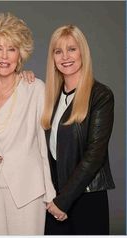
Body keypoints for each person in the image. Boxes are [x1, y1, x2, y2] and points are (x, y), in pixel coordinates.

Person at [0, 12, 56, 235]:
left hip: (27, 189)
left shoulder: (35, 88)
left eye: (12, 48)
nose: (4, 56)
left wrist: (50, 191)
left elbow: (42, 144)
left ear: (20, 54)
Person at [42, 24, 115, 235]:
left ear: (83, 52)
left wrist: (63, 201)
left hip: (86, 197)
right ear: (53, 58)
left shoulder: (100, 96)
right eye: (58, 51)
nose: (65, 56)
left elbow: (94, 156)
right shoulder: (50, 98)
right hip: (55, 199)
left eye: (72, 49)